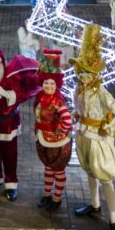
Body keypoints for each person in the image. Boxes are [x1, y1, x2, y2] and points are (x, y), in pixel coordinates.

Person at [71, 25, 115, 230]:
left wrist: (109, 127)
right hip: (83, 136)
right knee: (90, 172)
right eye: (81, 73)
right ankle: (95, 205)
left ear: (95, 74)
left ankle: (114, 220)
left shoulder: (102, 91)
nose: (84, 77)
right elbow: (81, 110)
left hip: (98, 139)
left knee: (105, 178)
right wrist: (75, 114)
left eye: (87, 73)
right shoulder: (79, 89)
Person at [0, 48, 41, 202]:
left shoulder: (10, 77)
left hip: (6, 125)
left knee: (9, 155)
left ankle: (11, 184)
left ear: (2, 63)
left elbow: (20, 95)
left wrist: (5, 94)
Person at [33, 50, 71, 212]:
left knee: (58, 170)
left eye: (52, 84)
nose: (48, 86)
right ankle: (47, 194)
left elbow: (67, 120)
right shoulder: (41, 97)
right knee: (48, 168)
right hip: (43, 139)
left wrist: (59, 132)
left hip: (58, 143)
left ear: (57, 84)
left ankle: (57, 198)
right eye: (46, 83)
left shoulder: (57, 100)